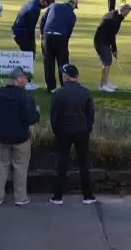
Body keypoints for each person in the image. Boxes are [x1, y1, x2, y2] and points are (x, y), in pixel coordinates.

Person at [0, 64, 39, 205]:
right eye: (24, 78)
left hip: (1, 137)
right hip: (21, 138)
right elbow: (30, 118)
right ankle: (20, 198)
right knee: (20, 168)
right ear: (17, 79)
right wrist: (37, 114)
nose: (26, 80)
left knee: (0, 166)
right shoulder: (26, 97)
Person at [49, 63, 96, 205]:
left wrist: (57, 131)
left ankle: (58, 196)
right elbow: (90, 115)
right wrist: (87, 129)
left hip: (64, 132)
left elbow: (54, 117)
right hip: (81, 131)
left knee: (62, 163)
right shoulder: (86, 93)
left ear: (65, 76)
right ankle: (87, 195)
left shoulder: (59, 93)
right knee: (83, 164)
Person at [12, 0, 55, 85]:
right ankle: (25, 82)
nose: (46, 8)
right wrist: (32, 43)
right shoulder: (34, 9)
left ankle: (25, 80)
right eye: (47, 5)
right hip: (22, 34)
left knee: (29, 55)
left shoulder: (35, 1)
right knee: (28, 57)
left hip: (19, 31)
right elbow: (30, 28)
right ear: (45, 2)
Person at [40, 0, 79, 92]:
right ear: (73, 4)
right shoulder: (72, 16)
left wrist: (42, 33)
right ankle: (65, 86)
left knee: (48, 62)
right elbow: (68, 33)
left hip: (47, 36)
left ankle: (51, 88)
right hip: (61, 38)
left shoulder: (53, 5)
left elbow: (43, 20)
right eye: (75, 6)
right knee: (63, 63)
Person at [95, 4, 130, 92]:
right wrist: (114, 49)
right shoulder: (113, 19)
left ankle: (105, 83)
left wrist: (112, 48)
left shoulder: (116, 16)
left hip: (105, 41)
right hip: (101, 41)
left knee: (108, 62)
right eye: (126, 13)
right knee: (107, 63)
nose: (127, 15)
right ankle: (102, 86)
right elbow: (112, 36)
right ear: (122, 10)